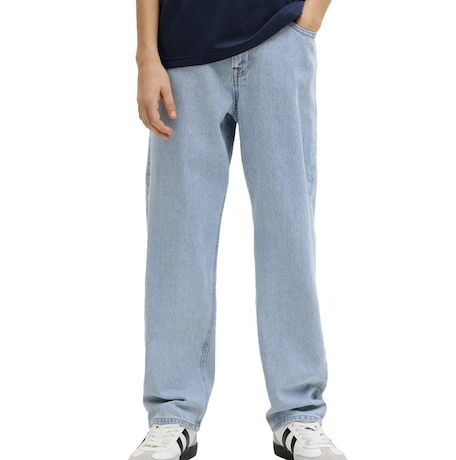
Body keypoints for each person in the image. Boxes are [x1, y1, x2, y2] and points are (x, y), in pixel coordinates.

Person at [129, 0, 347, 459]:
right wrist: (147, 55)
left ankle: (299, 413)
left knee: (287, 234)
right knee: (177, 241)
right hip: (182, 55)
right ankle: (172, 415)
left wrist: (309, 18)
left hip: (278, 41)